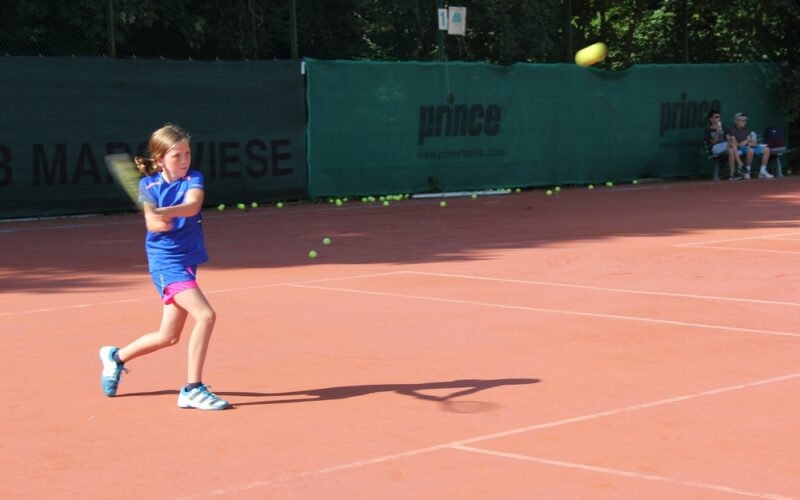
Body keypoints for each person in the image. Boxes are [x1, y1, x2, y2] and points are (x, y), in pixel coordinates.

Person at [99, 124, 229, 410]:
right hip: (166, 263)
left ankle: (116, 358)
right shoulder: (148, 187)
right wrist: (159, 218)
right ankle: (192, 389)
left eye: (187, 153)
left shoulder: (194, 177)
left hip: (188, 261)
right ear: (159, 160)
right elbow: (152, 223)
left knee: (168, 336)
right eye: (176, 156)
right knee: (206, 315)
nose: (184, 161)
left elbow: (192, 205)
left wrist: (167, 211)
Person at [726, 112, 773, 179]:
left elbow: (750, 141)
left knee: (767, 150)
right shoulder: (732, 129)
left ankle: (762, 172)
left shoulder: (746, 129)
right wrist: (746, 142)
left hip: (748, 146)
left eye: (745, 121)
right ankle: (747, 171)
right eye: (742, 121)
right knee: (750, 150)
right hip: (740, 149)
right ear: (736, 121)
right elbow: (736, 144)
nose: (744, 122)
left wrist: (749, 142)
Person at [703, 109, 742, 180]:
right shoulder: (707, 130)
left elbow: (728, 138)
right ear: (711, 119)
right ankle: (740, 164)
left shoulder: (723, 127)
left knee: (731, 150)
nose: (718, 118)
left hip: (726, 147)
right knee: (731, 145)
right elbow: (713, 142)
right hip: (715, 148)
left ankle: (732, 174)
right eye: (716, 117)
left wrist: (732, 139)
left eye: (719, 117)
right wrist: (717, 131)